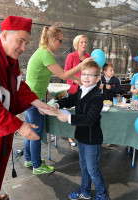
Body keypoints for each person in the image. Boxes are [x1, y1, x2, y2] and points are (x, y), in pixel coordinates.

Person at [0, 16, 55, 200]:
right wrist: (19, 125)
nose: (23, 48)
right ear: (5, 34)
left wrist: (37, 102)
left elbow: (17, 85)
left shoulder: (7, 55)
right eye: (20, 41)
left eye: (26, 42)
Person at [24, 26, 93, 174]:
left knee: (30, 130)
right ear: (52, 39)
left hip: (30, 97)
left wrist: (77, 78)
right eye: (60, 41)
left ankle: (29, 159)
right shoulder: (45, 54)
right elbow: (63, 75)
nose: (61, 44)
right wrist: (81, 65)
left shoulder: (43, 53)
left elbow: (62, 73)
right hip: (34, 98)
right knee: (36, 132)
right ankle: (37, 165)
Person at [54, 61, 109, 200]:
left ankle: (102, 195)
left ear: (97, 78)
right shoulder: (81, 90)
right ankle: (85, 191)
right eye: (84, 74)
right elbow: (70, 100)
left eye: (91, 75)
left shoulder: (97, 97)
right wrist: (57, 103)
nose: (86, 77)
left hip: (92, 139)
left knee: (92, 169)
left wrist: (69, 118)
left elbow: (90, 119)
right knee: (84, 167)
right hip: (81, 137)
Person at [64, 35, 90, 147]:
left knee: (84, 113)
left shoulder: (88, 56)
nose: (84, 44)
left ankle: (82, 134)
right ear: (76, 44)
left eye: (85, 42)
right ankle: (70, 135)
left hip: (86, 90)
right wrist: (76, 81)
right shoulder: (71, 56)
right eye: (81, 42)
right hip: (74, 90)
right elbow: (65, 73)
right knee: (73, 113)